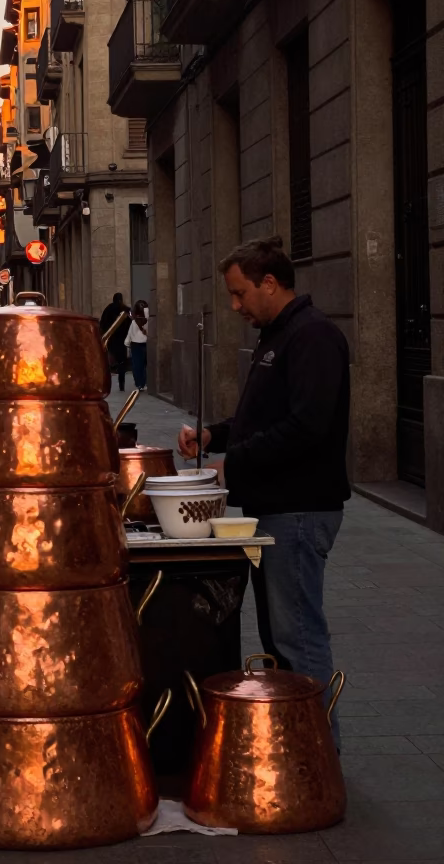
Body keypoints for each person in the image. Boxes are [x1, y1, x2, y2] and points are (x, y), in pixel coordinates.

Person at [177, 237, 350, 746]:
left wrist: (237, 461)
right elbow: (264, 417)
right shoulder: (279, 335)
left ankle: (319, 754)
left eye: (239, 293)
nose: (235, 306)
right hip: (275, 508)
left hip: (299, 510)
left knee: (299, 637)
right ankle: (297, 748)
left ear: (269, 283)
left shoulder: (312, 337)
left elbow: (308, 424)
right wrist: (215, 435)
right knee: (279, 638)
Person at [99, 292, 131, 392]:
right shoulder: (125, 309)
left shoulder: (108, 309)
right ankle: (122, 384)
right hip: (122, 340)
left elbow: (102, 324)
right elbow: (130, 323)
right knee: (122, 363)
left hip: (111, 340)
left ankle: (106, 384)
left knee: (109, 362)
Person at [125, 300, 149, 390]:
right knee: (144, 365)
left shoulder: (134, 322)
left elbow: (130, 334)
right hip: (145, 343)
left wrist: (127, 343)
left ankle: (139, 384)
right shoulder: (147, 321)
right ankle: (145, 382)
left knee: (137, 365)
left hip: (135, 345)